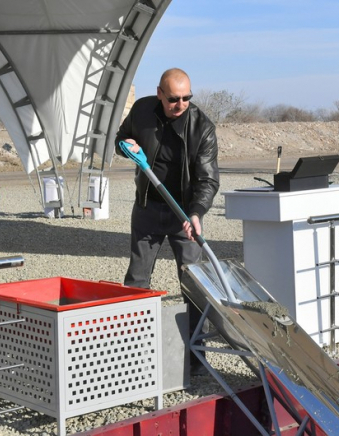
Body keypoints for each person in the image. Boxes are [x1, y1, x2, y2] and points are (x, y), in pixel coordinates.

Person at [115, 68, 219, 376]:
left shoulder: (202, 128)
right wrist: (126, 147)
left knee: (194, 286)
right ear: (160, 93)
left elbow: (208, 180)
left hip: (183, 215)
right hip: (147, 209)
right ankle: (130, 351)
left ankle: (195, 358)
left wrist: (197, 213)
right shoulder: (142, 109)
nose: (181, 104)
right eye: (174, 98)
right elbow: (122, 139)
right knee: (136, 280)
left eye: (187, 97)